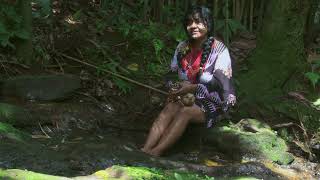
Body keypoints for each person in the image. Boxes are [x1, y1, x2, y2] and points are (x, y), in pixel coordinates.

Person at [141, 6, 236, 157]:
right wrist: (175, 89)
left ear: (208, 24)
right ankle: (145, 149)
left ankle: (156, 152)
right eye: (189, 22)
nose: (193, 26)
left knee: (185, 112)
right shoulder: (182, 47)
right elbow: (171, 75)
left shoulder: (219, 49)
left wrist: (191, 88)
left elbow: (219, 84)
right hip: (185, 97)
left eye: (198, 22)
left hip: (213, 101)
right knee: (170, 107)